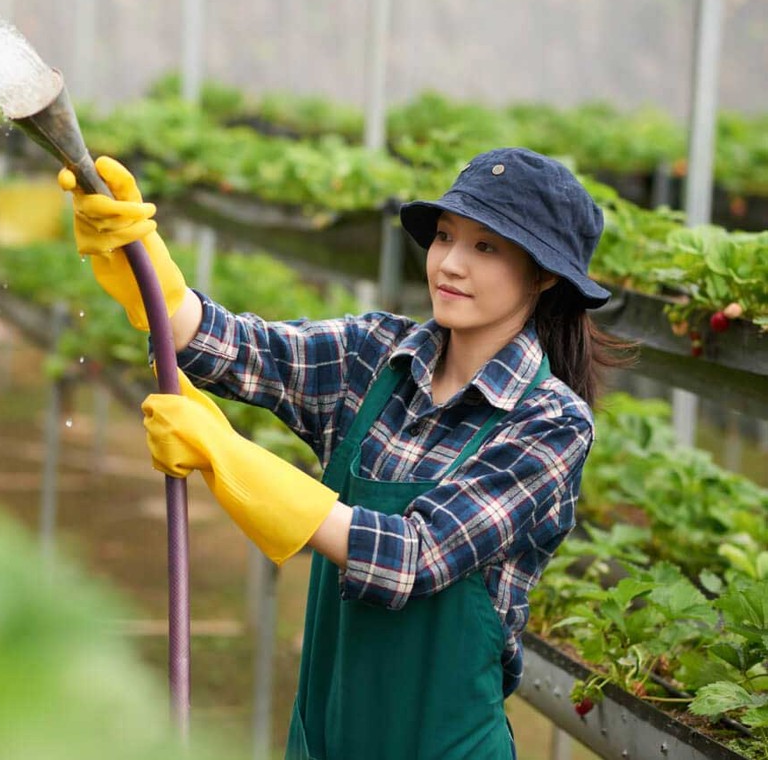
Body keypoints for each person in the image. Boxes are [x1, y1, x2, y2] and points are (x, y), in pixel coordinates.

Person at [57, 147, 631, 760]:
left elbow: (412, 557)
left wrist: (231, 458)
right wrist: (143, 267)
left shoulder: (549, 423)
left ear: (543, 276)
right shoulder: (376, 354)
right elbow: (238, 347)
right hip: (326, 739)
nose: (450, 264)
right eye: (445, 236)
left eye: (485, 247)